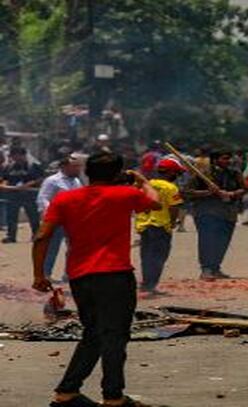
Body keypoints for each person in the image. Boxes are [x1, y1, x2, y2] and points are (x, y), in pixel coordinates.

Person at [31, 152, 161, 407]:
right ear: (117, 174)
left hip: (80, 276)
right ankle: (113, 397)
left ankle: (67, 393)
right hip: (115, 275)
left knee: (93, 333)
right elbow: (155, 203)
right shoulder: (126, 194)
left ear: (86, 173)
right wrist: (142, 181)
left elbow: (41, 236)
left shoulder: (64, 199)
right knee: (115, 336)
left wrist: (39, 274)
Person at [188, 150, 245, 280]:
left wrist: (232, 194)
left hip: (228, 213)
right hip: (207, 212)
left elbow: (244, 188)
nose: (228, 161)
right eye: (224, 158)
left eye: (229, 158)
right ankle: (206, 269)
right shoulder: (203, 175)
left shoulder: (234, 173)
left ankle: (216, 268)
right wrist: (207, 192)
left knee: (223, 241)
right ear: (215, 160)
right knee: (207, 241)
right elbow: (187, 191)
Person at [135, 158, 186, 295]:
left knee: (146, 255)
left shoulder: (146, 184)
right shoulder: (171, 188)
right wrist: (172, 222)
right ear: (170, 173)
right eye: (177, 173)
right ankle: (150, 286)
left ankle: (146, 283)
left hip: (144, 225)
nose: (177, 177)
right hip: (161, 226)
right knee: (159, 256)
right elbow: (174, 208)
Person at [36, 154, 84, 282]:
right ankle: (45, 274)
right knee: (52, 247)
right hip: (57, 219)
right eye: (74, 166)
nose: (78, 169)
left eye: (78, 166)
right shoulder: (52, 180)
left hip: (72, 220)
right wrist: (49, 215)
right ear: (64, 167)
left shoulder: (76, 181)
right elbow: (43, 198)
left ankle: (69, 273)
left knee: (73, 248)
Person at [0, 147, 44, 243]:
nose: (14, 158)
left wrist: (26, 185)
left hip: (29, 194)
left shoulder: (33, 165)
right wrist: (5, 185)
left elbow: (39, 179)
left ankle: (36, 234)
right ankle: (11, 236)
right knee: (11, 216)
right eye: (12, 156)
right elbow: (4, 179)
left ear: (23, 155)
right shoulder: (9, 167)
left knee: (33, 216)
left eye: (16, 155)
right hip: (13, 195)